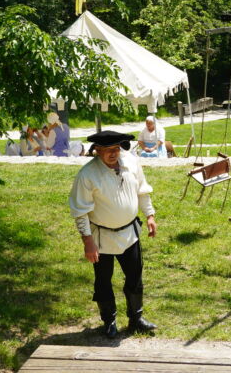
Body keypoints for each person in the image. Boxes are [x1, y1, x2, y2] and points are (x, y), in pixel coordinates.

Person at [68, 130, 158, 339]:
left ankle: (136, 319)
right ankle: (109, 321)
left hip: (130, 234)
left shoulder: (131, 163)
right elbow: (80, 212)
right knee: (103, 281)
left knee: (135, 277)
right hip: (101, 238)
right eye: (107, 150)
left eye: (116, 149)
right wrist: (88, 241)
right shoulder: (87, 175)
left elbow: (142, 190)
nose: (113, 154)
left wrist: (150, 215)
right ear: (97, 150)